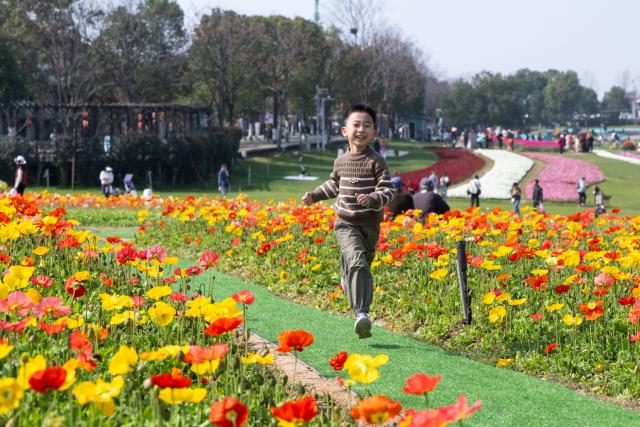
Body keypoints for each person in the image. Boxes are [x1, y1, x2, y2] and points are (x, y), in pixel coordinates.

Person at [302, 104, 395, 339]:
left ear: (374, 132)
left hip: (370, 224)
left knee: (363, 261)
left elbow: (387, 190)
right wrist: (315, 195)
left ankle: (347, 280)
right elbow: (334, 184)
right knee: (356, 260)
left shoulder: (377, 161)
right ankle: (361, 313)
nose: (361, 130)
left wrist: (373, 198)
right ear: (345, 130)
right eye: (356, 125)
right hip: (345, 221)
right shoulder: (341, 161)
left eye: (367, 125)